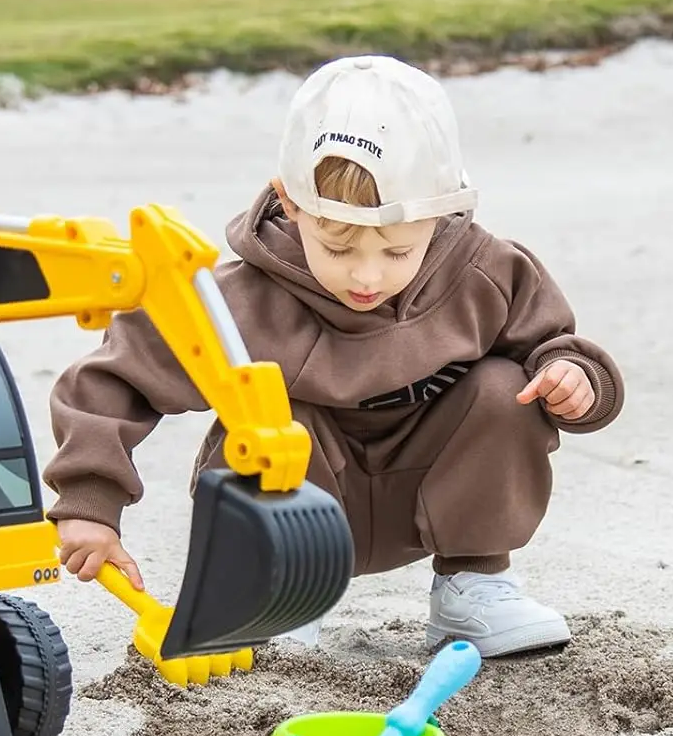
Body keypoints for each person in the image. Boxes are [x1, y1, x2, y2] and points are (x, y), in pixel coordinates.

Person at [42, 53, 624, 658]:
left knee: (506, 387)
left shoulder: (485, 272)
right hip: (297, 505)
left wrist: (573, 378)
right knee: (271, 416)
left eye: (398, 252)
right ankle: (280, 595)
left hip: (431, 491)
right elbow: (116, 378)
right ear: (290, 205)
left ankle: (473, 587)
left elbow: (553, 343)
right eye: (338, 245)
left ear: (444, 213)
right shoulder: (239, 300)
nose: (366, 275)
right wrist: (90, 500)